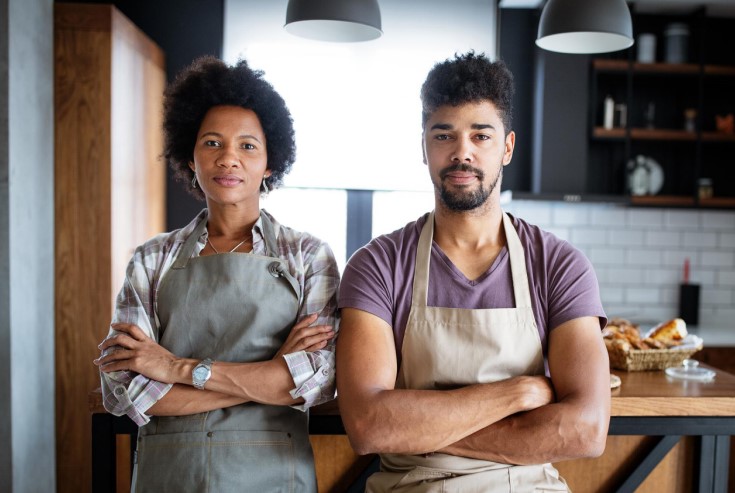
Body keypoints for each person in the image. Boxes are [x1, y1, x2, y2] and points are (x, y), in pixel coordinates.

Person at [336, 51, 610, 492]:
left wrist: (424, 428)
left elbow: (586, 430)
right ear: (423, 147)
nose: (462, 152)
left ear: (507, 147)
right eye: (444, 135)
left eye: (480, 136)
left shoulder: (559, 265)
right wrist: (516, 395)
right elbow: (370, 426)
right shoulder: (377, 265)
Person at [94, 56, 340, 493]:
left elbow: (317, 382)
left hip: (273, 475)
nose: (229, 159)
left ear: (269, 163)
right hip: (169, 475)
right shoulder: (151, 259)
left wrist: (173, 368)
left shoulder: (308, 256)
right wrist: (272, 373)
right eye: (212, 143)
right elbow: (123, 390)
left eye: (248, 146)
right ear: (190, 157)